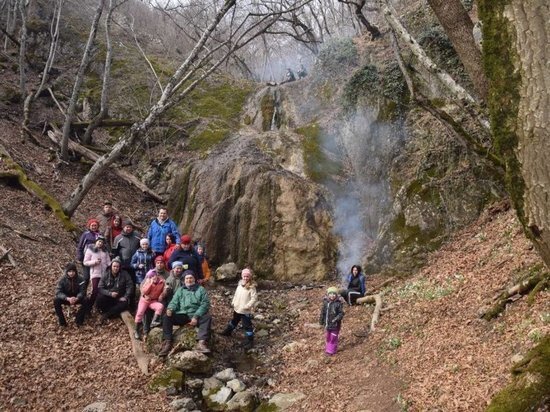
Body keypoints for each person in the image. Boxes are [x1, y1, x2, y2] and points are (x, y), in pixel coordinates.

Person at [159, 270, 212, 356]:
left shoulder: (201, 289)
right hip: (183, 314)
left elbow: (205, 304)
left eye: (191, 278)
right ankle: (167, 342)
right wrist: (170, 308)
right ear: (184, 280)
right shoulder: (180, 290)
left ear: (194, 279)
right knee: (166, 317)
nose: (189, 280)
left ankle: (201, 343)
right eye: (187, 278)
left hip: (195, 314)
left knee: (207, 317)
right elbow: (174, 302)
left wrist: (196, 316)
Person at [219, 268, 257, 350]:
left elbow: (254, 299)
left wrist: (248, 306)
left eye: (247, 276)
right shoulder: (240, 285)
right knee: (234, 320)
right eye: (244, 276)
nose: (245, 278)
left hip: (245, 310)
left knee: (247, 325)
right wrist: (234, 302)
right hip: (237, 308)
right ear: (242, 276)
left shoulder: (252, 287)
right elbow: (236, 294)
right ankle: (228, 331)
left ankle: (250, 340)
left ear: (250, 277)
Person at [96, 258, 134, 324]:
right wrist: (110, 293)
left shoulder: (125, 274)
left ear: (120, 267)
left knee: (124, 304)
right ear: (111, 266)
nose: (116, 268)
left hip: (119, 297)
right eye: (114, 266)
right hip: (109, 296)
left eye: (117, 267)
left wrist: (125, 296)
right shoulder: (106, 274)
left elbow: (130, 286)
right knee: (99, 298)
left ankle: (106, 315)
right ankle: (111, 313)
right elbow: (100, 288)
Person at [134, 269, 165, 340]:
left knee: (160, 306)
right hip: (144, 300)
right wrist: (150, 283)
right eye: (152, 276)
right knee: (140, 313)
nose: (154, 277)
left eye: (155, 276)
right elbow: (144, 292)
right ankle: (136, 330)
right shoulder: (147, 282)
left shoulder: (161, 282)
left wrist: (162, 294)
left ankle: (154, 322)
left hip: (153, 301)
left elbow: (164, 289)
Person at [53, 262, 87, 327]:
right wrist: (67, 298)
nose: (71, 273)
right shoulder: (62, 280)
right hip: (66, 298)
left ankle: (79, 319)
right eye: (69, 271)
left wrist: (77, 298)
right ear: (67, 272)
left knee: (86, 300)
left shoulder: (81, 279)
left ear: (75, 271)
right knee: (56, 300)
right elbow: (58, 292)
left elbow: (83, 291)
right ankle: (62, 322)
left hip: (77, 298)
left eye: (73, 271)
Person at [83, 236, 111, 307]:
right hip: (95, 274)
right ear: (96, 242)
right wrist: (94, 262)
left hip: (104, 274)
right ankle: (89, 307)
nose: (100, 243)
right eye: (99, 241)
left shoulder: (105, 251)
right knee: (95, 291)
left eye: (102, 242)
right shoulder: (90, 250)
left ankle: (99, 306)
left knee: (102, 291)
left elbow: (108, 262)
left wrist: (112, 265)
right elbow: (85, 262)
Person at [76, 218, 101, 290]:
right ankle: (82, 292)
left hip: (96, 260)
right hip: (86, 259)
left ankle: (95, 294)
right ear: (89, 226)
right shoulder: (86, 234)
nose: (94, 227)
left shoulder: (99, 235)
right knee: (86, 277)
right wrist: (80, 257)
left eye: (95, 225)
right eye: (92, 225)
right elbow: (80, 246)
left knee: (96, 278)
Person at [319, 286, 345, 356]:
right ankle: (328, 349)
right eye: (330, 294)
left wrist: (336, 319)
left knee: (333, 337)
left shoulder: (338, 303)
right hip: (327, 324)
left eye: (334, 294)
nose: (332, 295)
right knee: (328, 336)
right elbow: (323, 312)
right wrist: (321, 321)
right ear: (328, 295)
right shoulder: (326, 303)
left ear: (336, 295)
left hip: (335, 325)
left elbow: (341, 313)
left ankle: (331, 351)